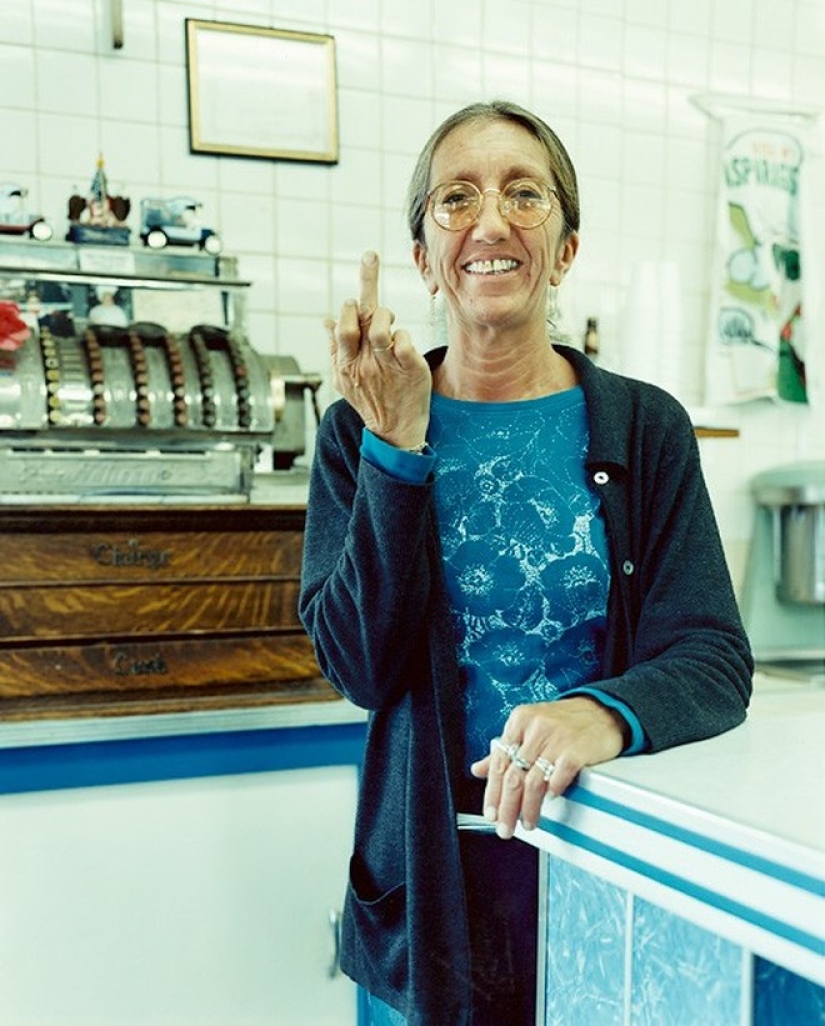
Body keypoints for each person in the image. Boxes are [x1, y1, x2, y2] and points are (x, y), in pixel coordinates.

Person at [299, 100, 753, 1025]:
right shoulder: (359, 427)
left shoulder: (645, 427)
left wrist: (600, 714)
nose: (491, 222)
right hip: (425, 890)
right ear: (425, 258)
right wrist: (395, 449)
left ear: (568, 247)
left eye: (524, 195)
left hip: (599, 869)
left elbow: (712, 658)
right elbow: (358, 666)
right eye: (455, 199)